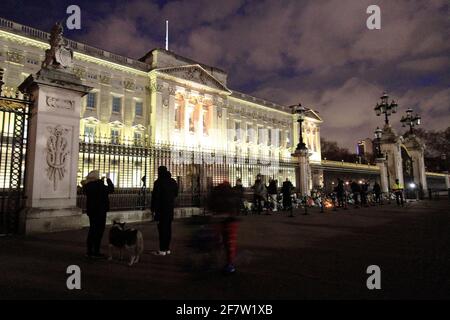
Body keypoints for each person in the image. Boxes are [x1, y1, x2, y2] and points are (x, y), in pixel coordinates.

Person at [208, 180, 240, 274]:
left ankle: (214, 260)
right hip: (230, 220)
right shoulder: (233, 193)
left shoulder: (215, 192)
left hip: (218, 219)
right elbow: (237, 205)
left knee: (216, 240)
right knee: (230, 242)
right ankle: (230, 263)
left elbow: (210, 204)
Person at [81, 170, 114, 259]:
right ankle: (96, 251)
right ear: (96, 177)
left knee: (92, 230)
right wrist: (108, 179)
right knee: (99, 232)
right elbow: (111, 189)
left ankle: (89, 251)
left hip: (92, 211)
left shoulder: (87, 186)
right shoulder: (99, 185)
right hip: (100, 211)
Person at [151, 166, 179, 256]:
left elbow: (155, 197)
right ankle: (167, 248)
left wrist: (153, 209)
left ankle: (162, 249)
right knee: (168, 229)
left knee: (162, 230)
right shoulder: (173, 182)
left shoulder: (158, 182)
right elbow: (176, 194)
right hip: (169, 209)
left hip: (160, 210)